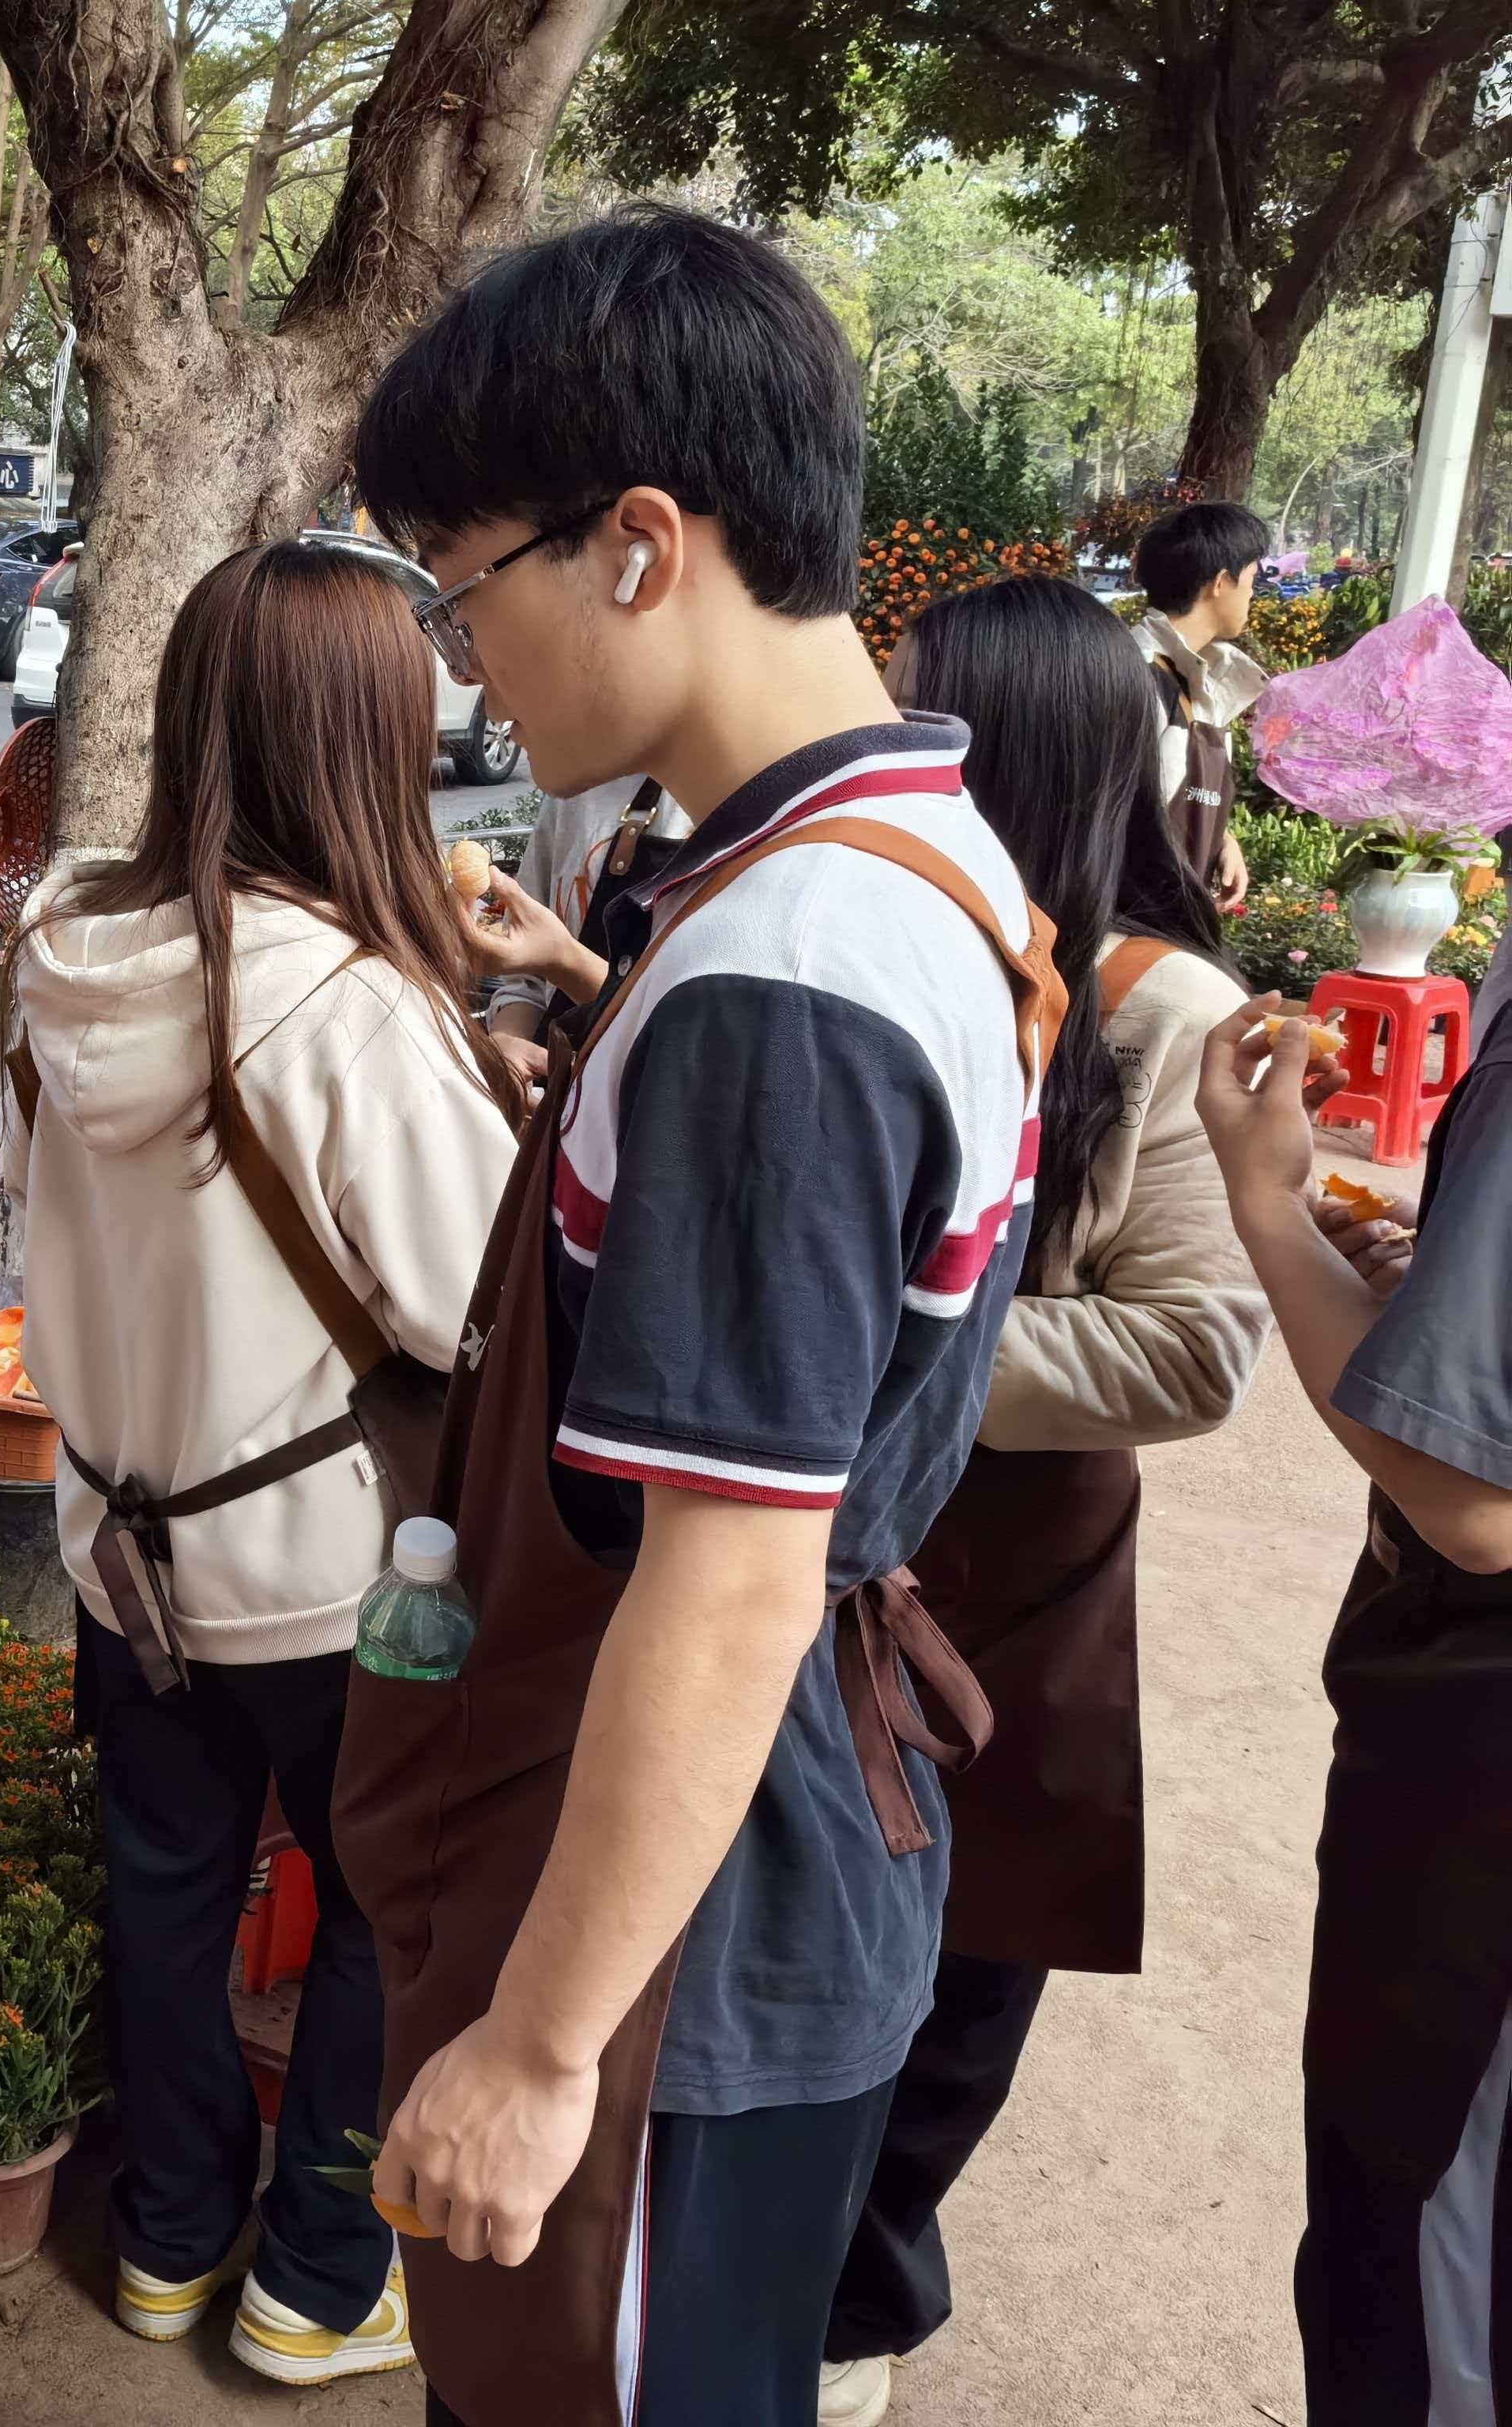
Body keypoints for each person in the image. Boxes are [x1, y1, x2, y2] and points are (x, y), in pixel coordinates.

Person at [340, 203, 1062, 2427]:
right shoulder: (900, 857)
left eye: (465, 589)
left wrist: (542, 2044)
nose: (471, 671)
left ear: (640, 545)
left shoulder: (788, 971)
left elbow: (736, 1573)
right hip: (729, 1862)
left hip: (684, 1939)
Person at [3, 539, 521, 2385]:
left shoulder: (68, 955)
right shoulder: (343, 1000)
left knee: (163, 1886)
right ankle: (313, 2281)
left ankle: (164, 2239)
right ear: (367, 737)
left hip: (120, 1550)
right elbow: (476, 1310)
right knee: (384, 1909)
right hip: (326, 1575)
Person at [815, 578, 1267, 2424]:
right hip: (842, 1533)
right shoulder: (893, 933)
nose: (877, 738)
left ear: (1002, 749)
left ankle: (852, 2305)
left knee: (968, 1950)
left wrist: (887, 1342)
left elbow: (1195, 1349)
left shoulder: (1166, 1012)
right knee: (809, 1919)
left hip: (1009, 1561)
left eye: (914, 710)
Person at [1194, 984, 1512, 2424]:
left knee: (1423, 2280)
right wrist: (1434, 1302)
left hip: (1477, 1802)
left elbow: (1472, 1502)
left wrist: (1265, 1201)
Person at [473, 775, 690, 1085]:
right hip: (558, 1096)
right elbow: (526, 982)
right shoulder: (572, 793)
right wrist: (507, 1045)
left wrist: (563, 960)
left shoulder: (740, 825)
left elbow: (693, 1043)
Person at [1132, 498, 1274, 915]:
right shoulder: (1136, 678)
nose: (1253, 594)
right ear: (1220, 582)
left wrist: (1220, 839)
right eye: (1251, 579)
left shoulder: (1204, 685)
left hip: (1179, 922)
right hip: (1131, 926)